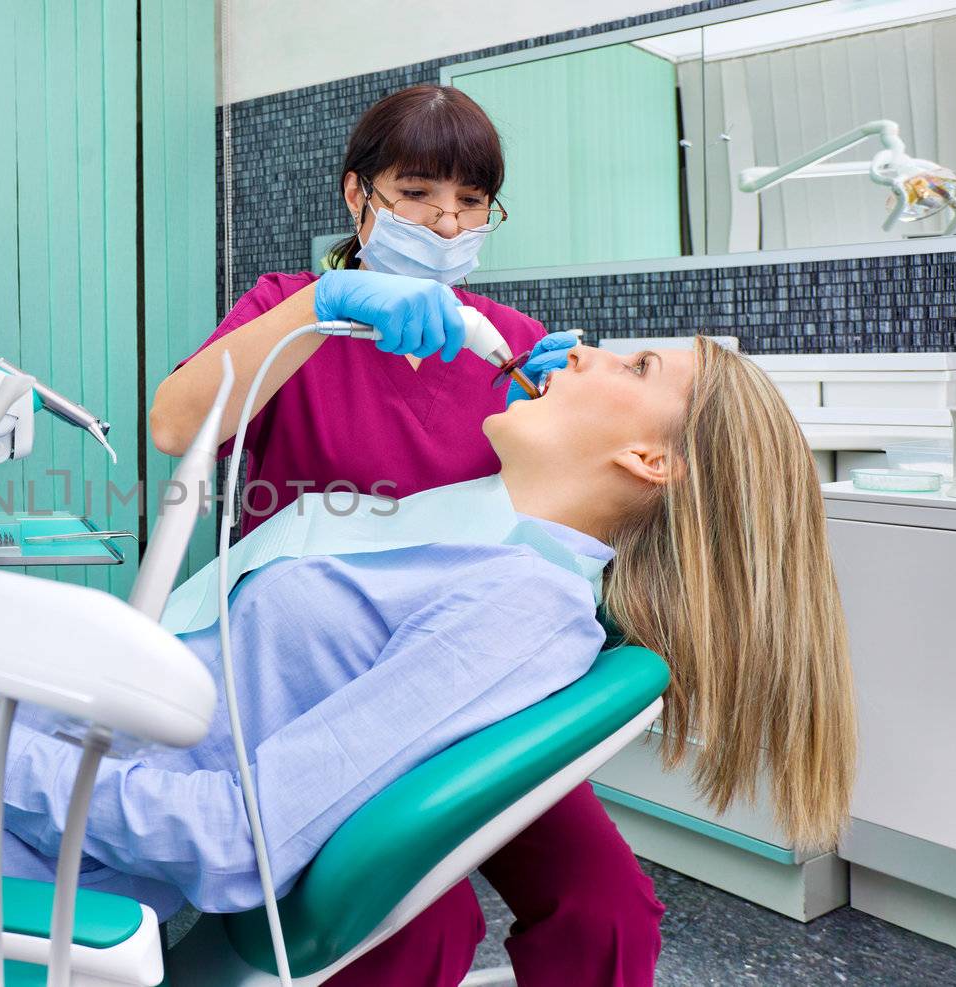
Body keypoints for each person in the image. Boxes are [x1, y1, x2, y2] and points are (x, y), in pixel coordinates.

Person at [0, 338, 856, 986]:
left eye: (634, 370)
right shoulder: (500, 568)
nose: (582, 355)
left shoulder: (516, 616)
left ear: (652, 465)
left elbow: (236, 841)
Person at [147, 82, 653, 984]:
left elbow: (562, 516)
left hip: (461, 670)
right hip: (318, 679)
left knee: (606, 906)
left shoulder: (509, 345)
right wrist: (319, 310)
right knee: (414, 918)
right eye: (418, 195)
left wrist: (555, 411)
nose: (449, 225)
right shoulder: (293, 309)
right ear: (358, 196)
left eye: (470, 203)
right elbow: (173, 426)